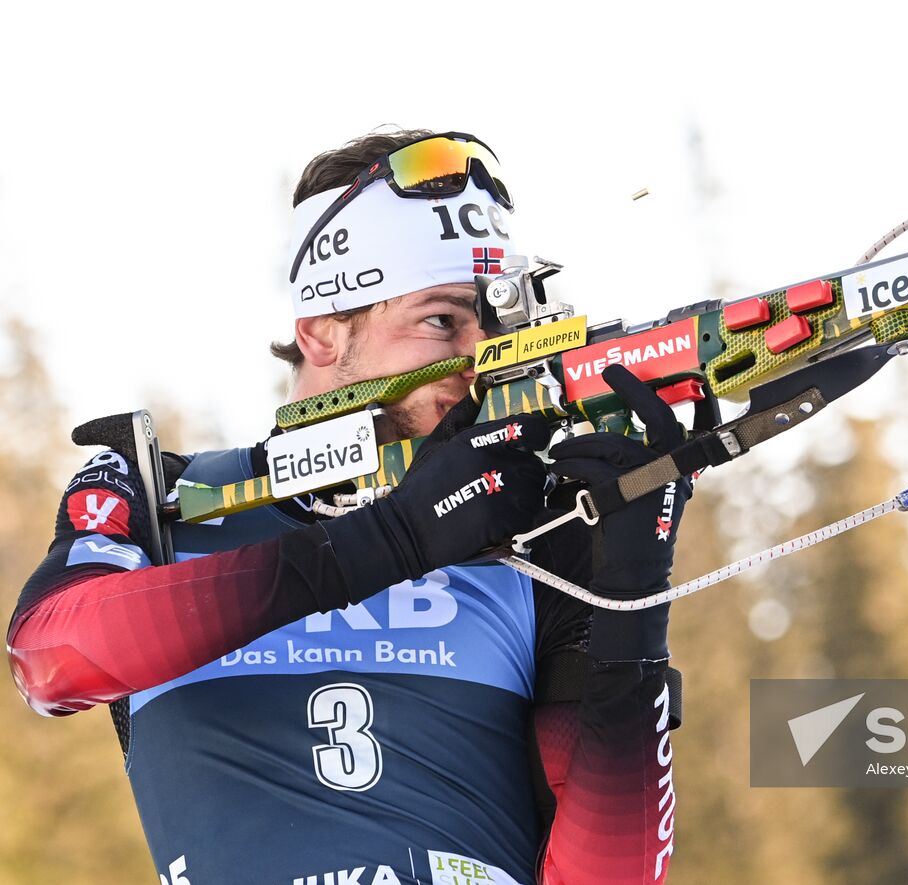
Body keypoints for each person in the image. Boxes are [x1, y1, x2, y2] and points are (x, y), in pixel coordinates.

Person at [7, 131, 687, 885]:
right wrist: (396, 538)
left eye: (495, 328)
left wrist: (632, 606)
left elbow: (610, 877)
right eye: (442, 322)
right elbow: (49, 661)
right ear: (321, 331)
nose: (480, 362)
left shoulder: (531, 539)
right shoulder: (166, 498)